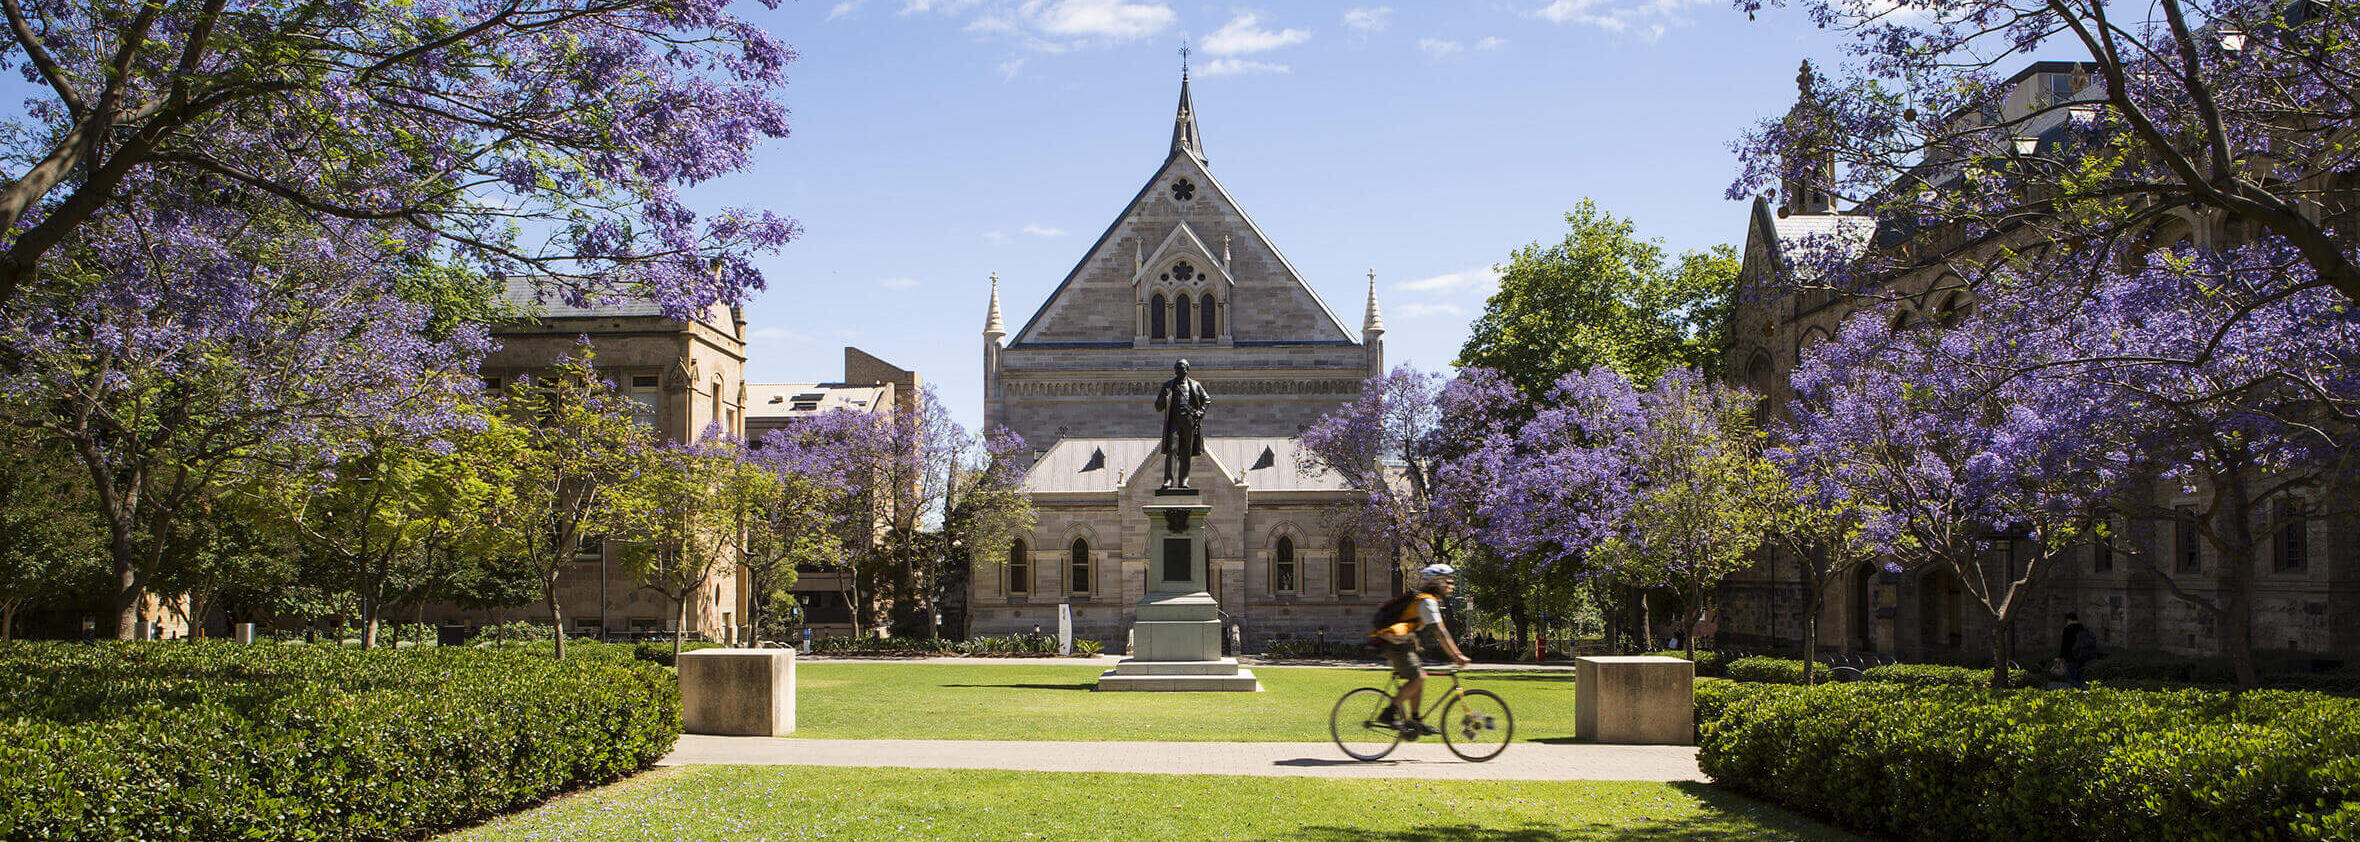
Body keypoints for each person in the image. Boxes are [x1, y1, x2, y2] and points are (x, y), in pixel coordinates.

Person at [1369, 564, 1472, 737]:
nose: (1452, 586)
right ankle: (1388, 713)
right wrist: (1457, 655)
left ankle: (1414, 722)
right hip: (1393, 643)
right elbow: (1440, 632)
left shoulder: (1427, 600)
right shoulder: (1427, 602)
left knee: (1418, 677)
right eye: (1448, 581)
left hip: (1400, 642)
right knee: (1419, 677)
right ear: (1438, 582)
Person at [2057, 612, 2098, 689]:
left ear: (2068, 619)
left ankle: (2077, 690)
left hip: (2071, 657)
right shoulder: (2082, 628)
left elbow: (2064, 645)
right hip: (2082, 656)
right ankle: (2081, 691)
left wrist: (2060, 657)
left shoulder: (2067, 629)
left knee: (2071, 677)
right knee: (2079, 677)